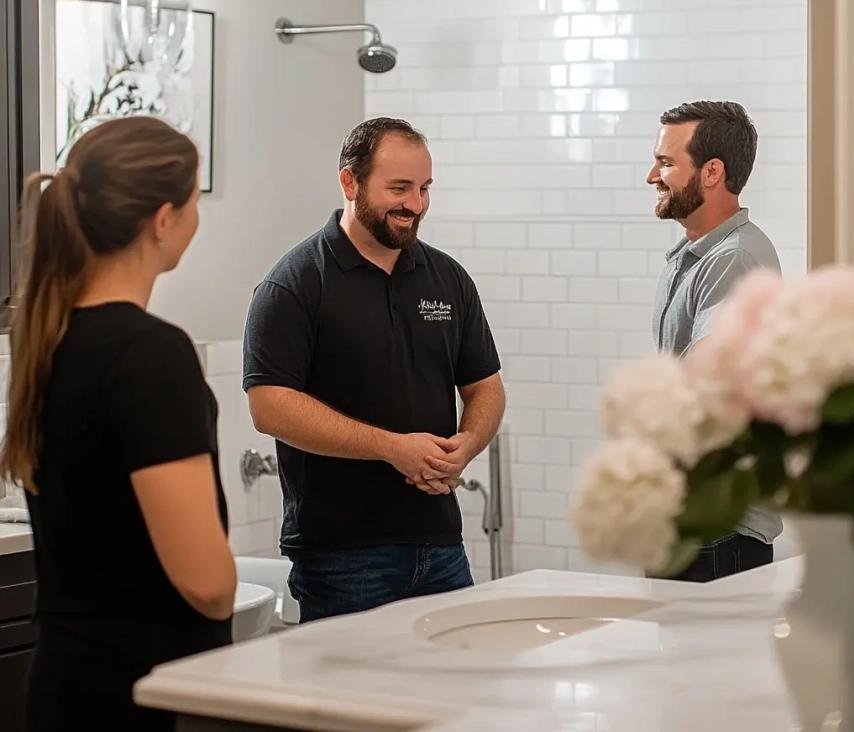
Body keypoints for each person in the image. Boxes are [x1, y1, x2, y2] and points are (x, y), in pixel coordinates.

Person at [0, 117, 237, 731]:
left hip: (64, 684)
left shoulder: (46, 341)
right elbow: (207, 582)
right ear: (163, 219)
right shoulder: (150, 355)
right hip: (146, 693)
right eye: (193, 202)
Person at [243, 117, 505, 623]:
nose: (416, 204)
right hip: (342, 557)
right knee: (355, 701)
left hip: (441, 545)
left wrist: (466, 447)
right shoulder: (294, 285)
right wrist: (392, 448)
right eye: (399, 188)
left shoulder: (448, 278)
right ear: (350, 182)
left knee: (453, 696)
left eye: (425, 188)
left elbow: (486, 387)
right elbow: (269, 406)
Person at [647, 100, 783, 582]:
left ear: (711, 172)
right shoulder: (694, 255)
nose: (651, 176)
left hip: (721, 531)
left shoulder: (735, 259)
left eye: (666, 163)